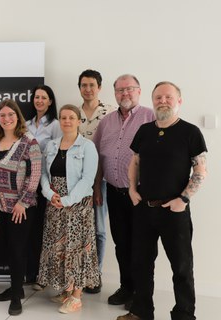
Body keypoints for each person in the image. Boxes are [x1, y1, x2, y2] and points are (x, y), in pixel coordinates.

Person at [118, 82, 207, 320]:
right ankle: (141, 312)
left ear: (179, 100)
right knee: (141, 265)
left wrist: (184, 199)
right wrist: (132, 190)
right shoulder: (145, 131)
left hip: (175, 211)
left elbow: (200, 170)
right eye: (158, 97)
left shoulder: (190, 132)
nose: (162, 101)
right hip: (144, 210)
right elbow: (134, 162)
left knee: (182, 268)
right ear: (153, 100)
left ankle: (184, 315)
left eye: (168, 97)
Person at [92, 74, 155, 309]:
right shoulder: (106, 122)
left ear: (139, 91)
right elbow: (98, 157)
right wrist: (98, 186)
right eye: (120, 90)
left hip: (140, 194)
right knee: (121, 244)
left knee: (142, 244)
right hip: (114, 193)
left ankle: (141, 293)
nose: (125, 94)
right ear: (114, 93)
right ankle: (126, 287)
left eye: (130, 89)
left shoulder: (151, 117)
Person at [37, 104, 99, 314]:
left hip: (77, 205)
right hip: (54, 203)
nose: (67, 121)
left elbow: (88, 178)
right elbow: (45, 175)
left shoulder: (87, 146)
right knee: (60, 248)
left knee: (78, 249)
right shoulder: (52, 145)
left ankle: (77, 296)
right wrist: (49, 194)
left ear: (79, 121)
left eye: (71, 117)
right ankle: (67, 289)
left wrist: (68, 200)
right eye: (63, 118)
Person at [0, 99, 41, 316]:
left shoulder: (29, 142)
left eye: (11, 115)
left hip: (21, 208)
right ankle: (15, 287)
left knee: (18, 250)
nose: (7, 119)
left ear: (18, 117)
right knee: (7, 248)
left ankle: (16, 296)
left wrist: (22, 203)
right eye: (2, 115)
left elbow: (34, 175)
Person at [77, 69, 116, 294]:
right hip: (76, 180)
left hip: (100, 179)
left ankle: (95, 275)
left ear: (99, 87)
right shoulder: (73, 112)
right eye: (84, 85)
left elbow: (107, 149)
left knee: (99, 229)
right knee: (80, 229)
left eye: (92, 85)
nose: (88, 89)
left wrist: (97, 183)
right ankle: (77, 275)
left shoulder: (109, 113)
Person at [24, 84, 62, 290]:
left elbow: (56, 154)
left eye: (43, 97)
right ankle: (30, 272)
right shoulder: (26, 124)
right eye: (36, 97)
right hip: (26, 183)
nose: (39, 100)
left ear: (50, 101)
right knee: (28, 229)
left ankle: (42, 275)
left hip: (44, 183)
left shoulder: (55, 124)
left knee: (42, 229)